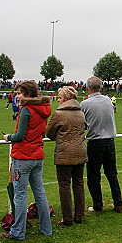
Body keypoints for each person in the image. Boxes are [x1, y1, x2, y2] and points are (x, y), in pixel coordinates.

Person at [1, 80, 53, 240]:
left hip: (23, 157)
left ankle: (18, 232)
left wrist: (8, 137)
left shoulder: (26, 110)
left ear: (28, 94)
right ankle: (46, 228)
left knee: (20, 195)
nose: (16, 96)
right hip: (37, 156)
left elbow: (20, 136)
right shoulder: (44, 108)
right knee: (40, 193)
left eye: (19, 93)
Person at [45, 86, 88, 226]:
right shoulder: (81, 113)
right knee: (79, 183)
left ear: (67, 99)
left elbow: (49, 134)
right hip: (80, 151)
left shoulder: (59, 114)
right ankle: (79, 215)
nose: (58, 100)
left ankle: (67, 218)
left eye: (60, 98)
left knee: (64, 185)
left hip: (64, 153)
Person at [81, 76, 122, 213]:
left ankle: (98, 206)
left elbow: (83, 125)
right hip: (109, 142)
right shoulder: (108, 101)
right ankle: (118, 203)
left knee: (94, 175)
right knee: (112, 173)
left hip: (95, 142)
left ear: (88, 88)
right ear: (100, 87)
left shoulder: (85, 104)